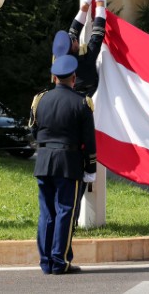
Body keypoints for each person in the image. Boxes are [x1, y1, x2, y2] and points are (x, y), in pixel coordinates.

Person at [29, 52, 97, 275]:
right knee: (65, 211)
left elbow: (34, 130)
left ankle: (46, 261)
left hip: (44, 161)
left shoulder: (40, 100)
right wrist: (91, 168)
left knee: (46, 212)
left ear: (55, 77)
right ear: (73, 78)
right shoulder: (82, 103)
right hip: (68, 163)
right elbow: (89, 141)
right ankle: (60, 261)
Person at [68, 0, 107, 97]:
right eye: (75, 41)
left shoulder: (61, 54)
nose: (75, 38)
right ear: (74, 48)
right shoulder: (85, 61)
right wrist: (100, 3)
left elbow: (73, 31)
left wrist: (85, 6)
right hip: (87, 96)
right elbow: (97, 34)